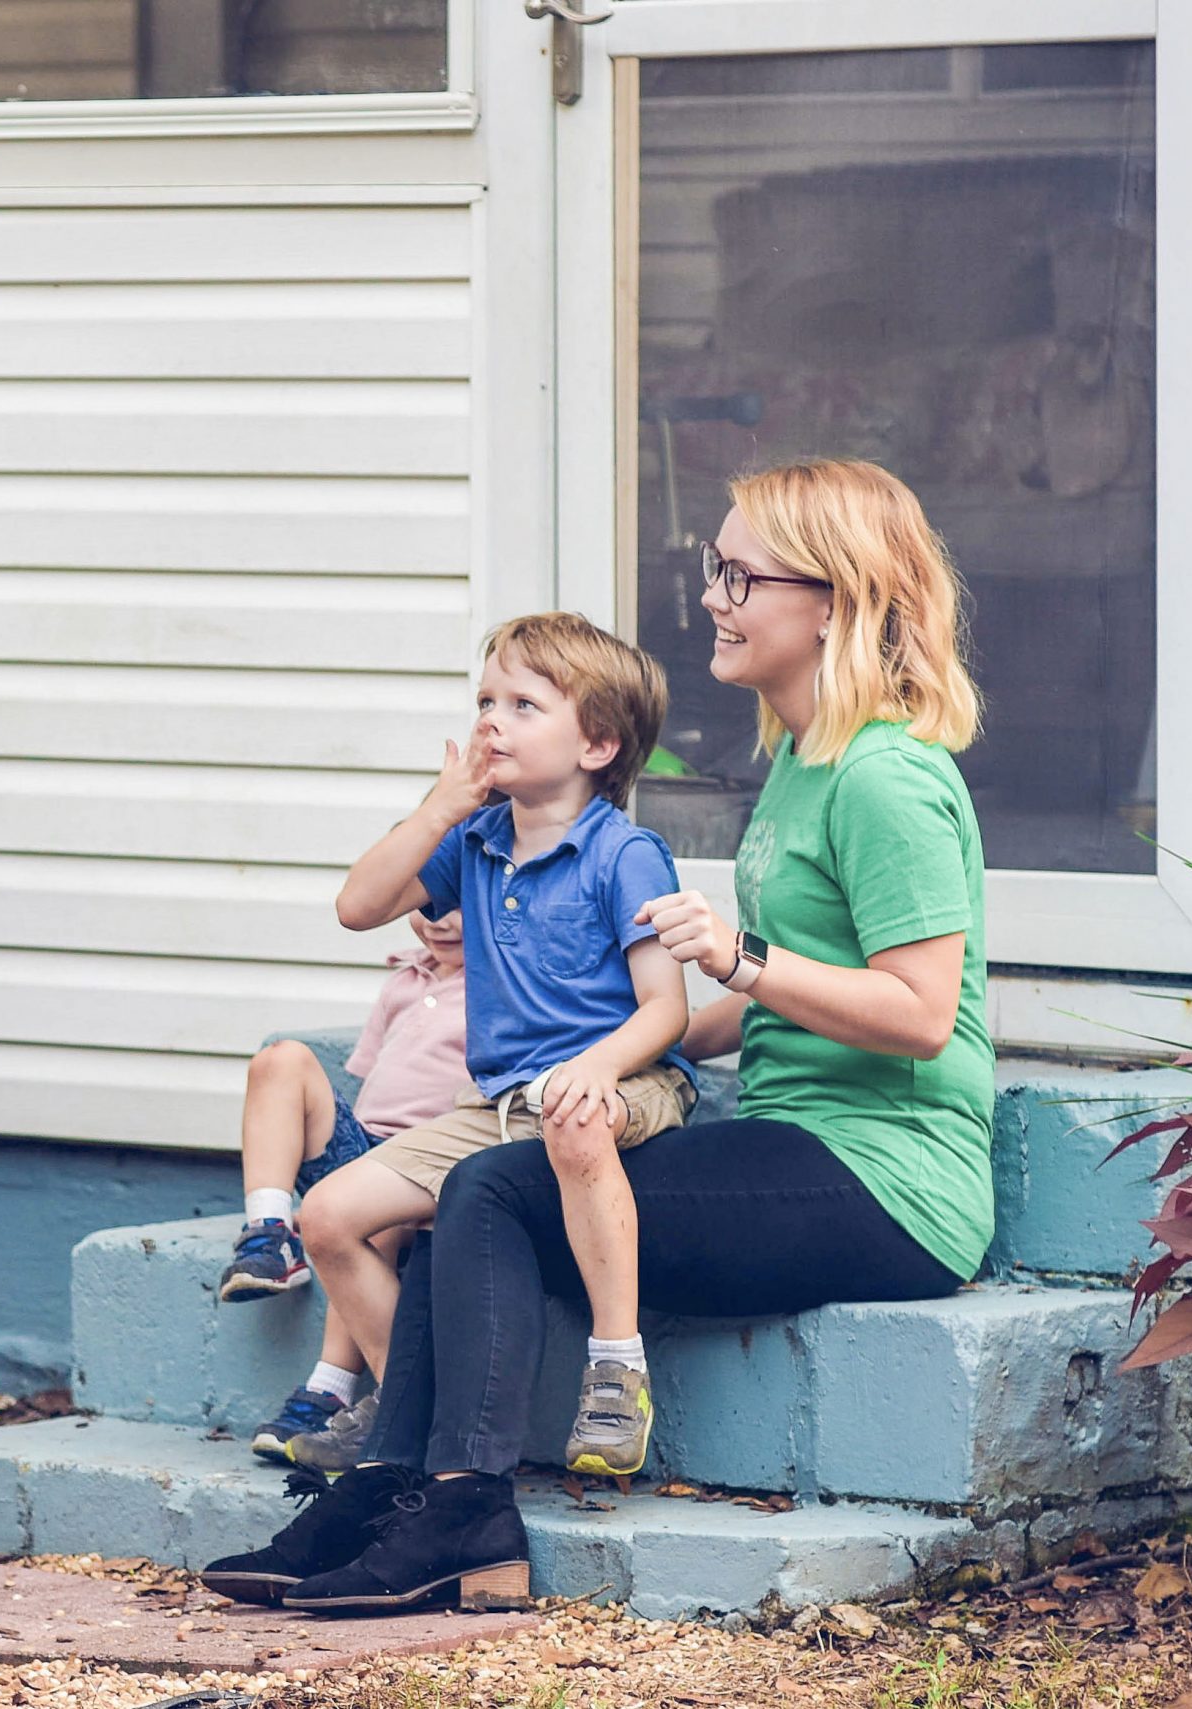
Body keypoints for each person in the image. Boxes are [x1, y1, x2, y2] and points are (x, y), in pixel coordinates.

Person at [201, 459, 991, 1616]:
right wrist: (644, 1033)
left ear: (834, 598)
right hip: (794, 1136)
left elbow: (920, 1014)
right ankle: (386, 1489)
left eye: (738, 573)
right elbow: (764, 997)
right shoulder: (799, 767)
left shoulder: (884, 778)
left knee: (493, 1189)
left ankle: (462, 1512)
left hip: (890, 1179)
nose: (712, 595)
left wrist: (736, 957)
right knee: (465, 1187)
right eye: (713, 568)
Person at [281, 612, 694, 1496]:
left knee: (573, 1116)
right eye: (485, 701)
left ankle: (617, 1367)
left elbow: (667, 1009)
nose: (490, 722)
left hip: (627, 1080)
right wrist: (442, 805)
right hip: (497, 1104)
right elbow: (359, 906)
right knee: (328, 1215)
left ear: (598, 743)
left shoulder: (625, 855)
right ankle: (405, 1406)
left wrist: (599, 1067)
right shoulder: (474, 842)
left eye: (524, 704)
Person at [218, 909, 467, 1465]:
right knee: (280, 1060)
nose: (440, 922)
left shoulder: (505, 986)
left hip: (432, 1159)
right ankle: (270, 1233)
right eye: (427, 908)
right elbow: (373, 1081)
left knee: (362, 1210)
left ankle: (329, 1386)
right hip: (370, 1142)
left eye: (458, 905)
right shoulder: (404, 980)